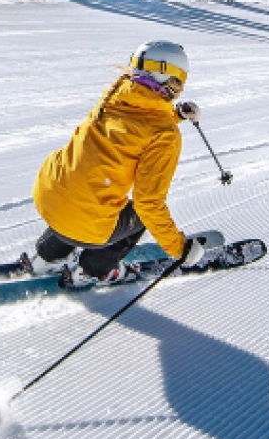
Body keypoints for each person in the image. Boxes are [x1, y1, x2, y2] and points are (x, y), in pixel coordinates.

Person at [27, 40, 212, 287]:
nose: (180, 86)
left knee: (84, 187)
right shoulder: (165, 136)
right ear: (168, 77)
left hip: (49, 197)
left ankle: (46, 257)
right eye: (179, 78)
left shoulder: (115, 94)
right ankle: (93, 271)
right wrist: (179, 248)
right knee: (139, 213)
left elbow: (134, 126)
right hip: (88, 227)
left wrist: (175, 115)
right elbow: (149, 204)